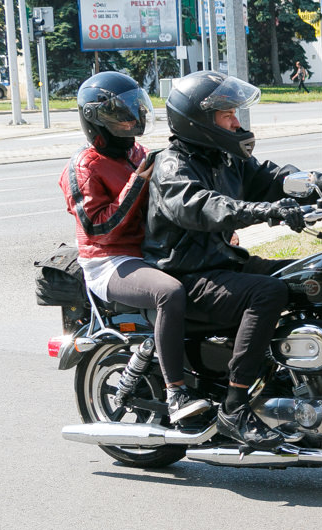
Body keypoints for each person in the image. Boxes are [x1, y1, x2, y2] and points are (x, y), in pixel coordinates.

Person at [142, 71, 322, 450]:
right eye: (227, 116)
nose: (236, 123)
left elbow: (284, 179)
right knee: (267, 293)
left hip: (224, 265)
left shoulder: (227, 160)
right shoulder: (172, 166)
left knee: (318, 275)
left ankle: (315, 385)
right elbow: (203, 206)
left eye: (235, 114)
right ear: (200, 121)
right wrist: (265, 211)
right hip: (189, 275)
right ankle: (235, 407)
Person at [60, 71, 210, 424]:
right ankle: (176, 392)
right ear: (96, 118)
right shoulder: (83, 167)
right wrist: (135, 183)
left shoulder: (137, 152)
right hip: (110, 262)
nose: (133, 119)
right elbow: (99, 228)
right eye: (121, 114)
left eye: (134, 109)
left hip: (149, 252)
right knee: (170, 294)